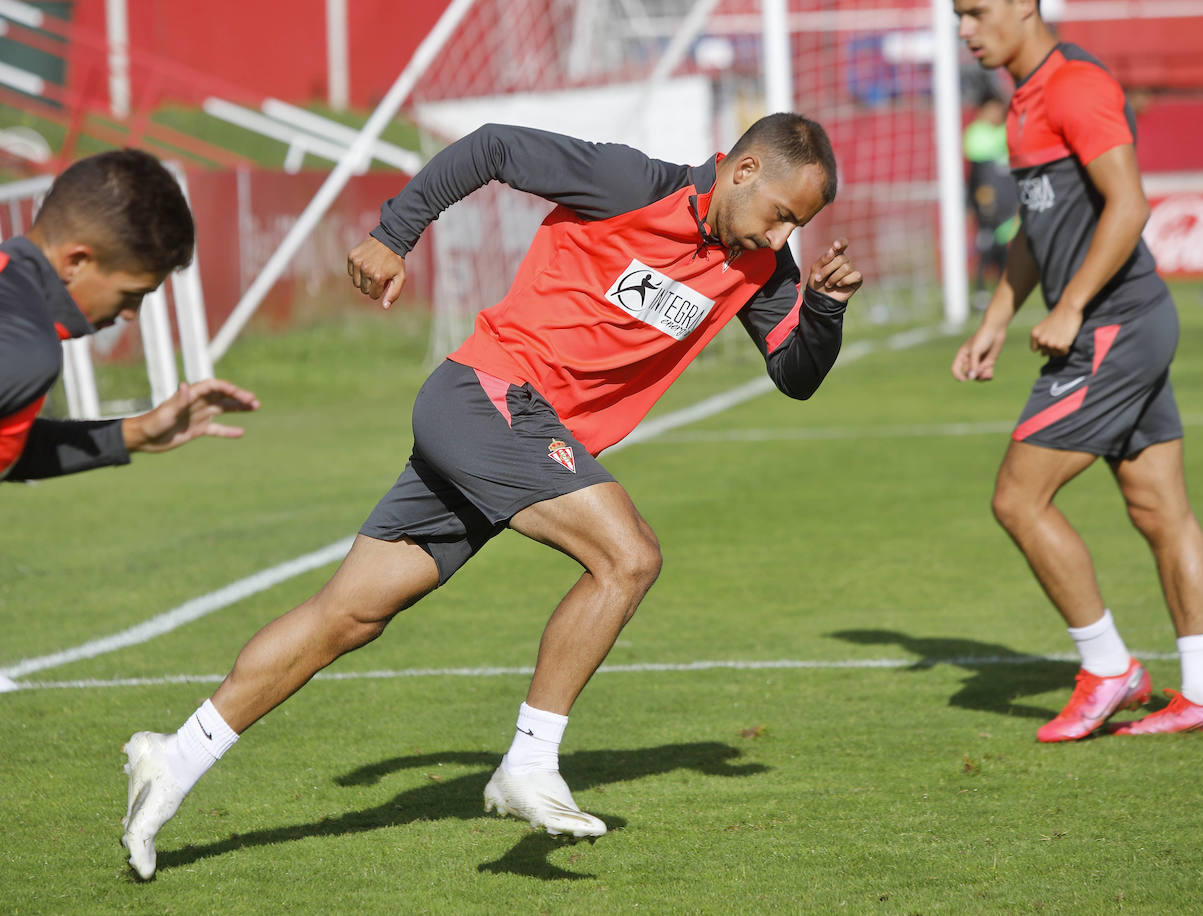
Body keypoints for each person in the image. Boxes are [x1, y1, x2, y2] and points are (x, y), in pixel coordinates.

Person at [120, 114, 863, 879]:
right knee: (628, 557)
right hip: (488, 396)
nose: (782, 240)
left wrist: (827, 307)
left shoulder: (762, 269)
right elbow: (493, 147)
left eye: (797, 228)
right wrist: (393, 234)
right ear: (742, 172)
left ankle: (171, 761)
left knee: (346, 616)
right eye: (781, 215)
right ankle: (529, 763)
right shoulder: (633, 184)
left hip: (506, 435)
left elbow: (795, 375)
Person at [949, 0, 1203, 742]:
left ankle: (1109, 670)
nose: (965, 29)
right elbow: (1034, 230)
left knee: (1019, 498)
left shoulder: (1075, 83)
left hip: (1115, 324)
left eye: (977, 12)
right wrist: (994, 320)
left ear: (1023, 6)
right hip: (1118, 325)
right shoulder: (1021, 101)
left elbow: (1130, 203)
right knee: (1156, 509)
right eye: (958, 15)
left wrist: (1072, 306)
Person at [1, 149, 259, 485]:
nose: (130, 314)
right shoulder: (27, 349)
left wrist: (135, 433)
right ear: (76, 262)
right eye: (131, 295)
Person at [963, 92, 1019, 307]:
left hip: (1008, 200)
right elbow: (978, 174)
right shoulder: (976, 133)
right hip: (988, 200)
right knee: (986, 245)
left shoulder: (1004, 132)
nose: (997, 113)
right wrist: (980, 199)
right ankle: (980, 291)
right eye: (992, 108)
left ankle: (1002, 291)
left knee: (1005, 246)